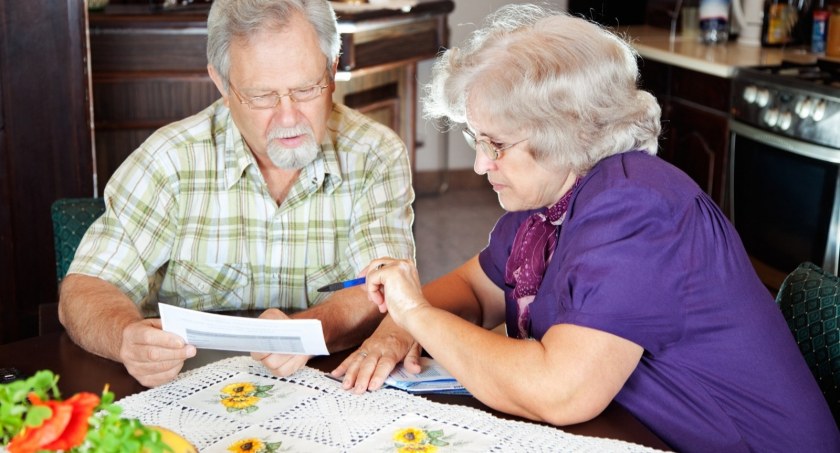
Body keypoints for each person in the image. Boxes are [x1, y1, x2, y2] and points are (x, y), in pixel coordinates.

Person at [339, 4, 840, 452]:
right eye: (477, 138)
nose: (478, 165)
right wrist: (394, 330)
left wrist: (416, 314)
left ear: (568, 133)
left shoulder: (637, 208)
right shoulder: (550, 198)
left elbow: (561, 393)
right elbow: (475, 288)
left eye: (496, 145)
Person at [58, 0, 415, 388]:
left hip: (327, 382)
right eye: (262, 96)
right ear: (223, 86)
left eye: (307, 88)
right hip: (188, 392)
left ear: (331, 70)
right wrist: (127, 338)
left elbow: (384, 289)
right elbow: (85, 288)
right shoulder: (170, 159)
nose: (289, 117)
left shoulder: (375, 153)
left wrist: (304, 331)